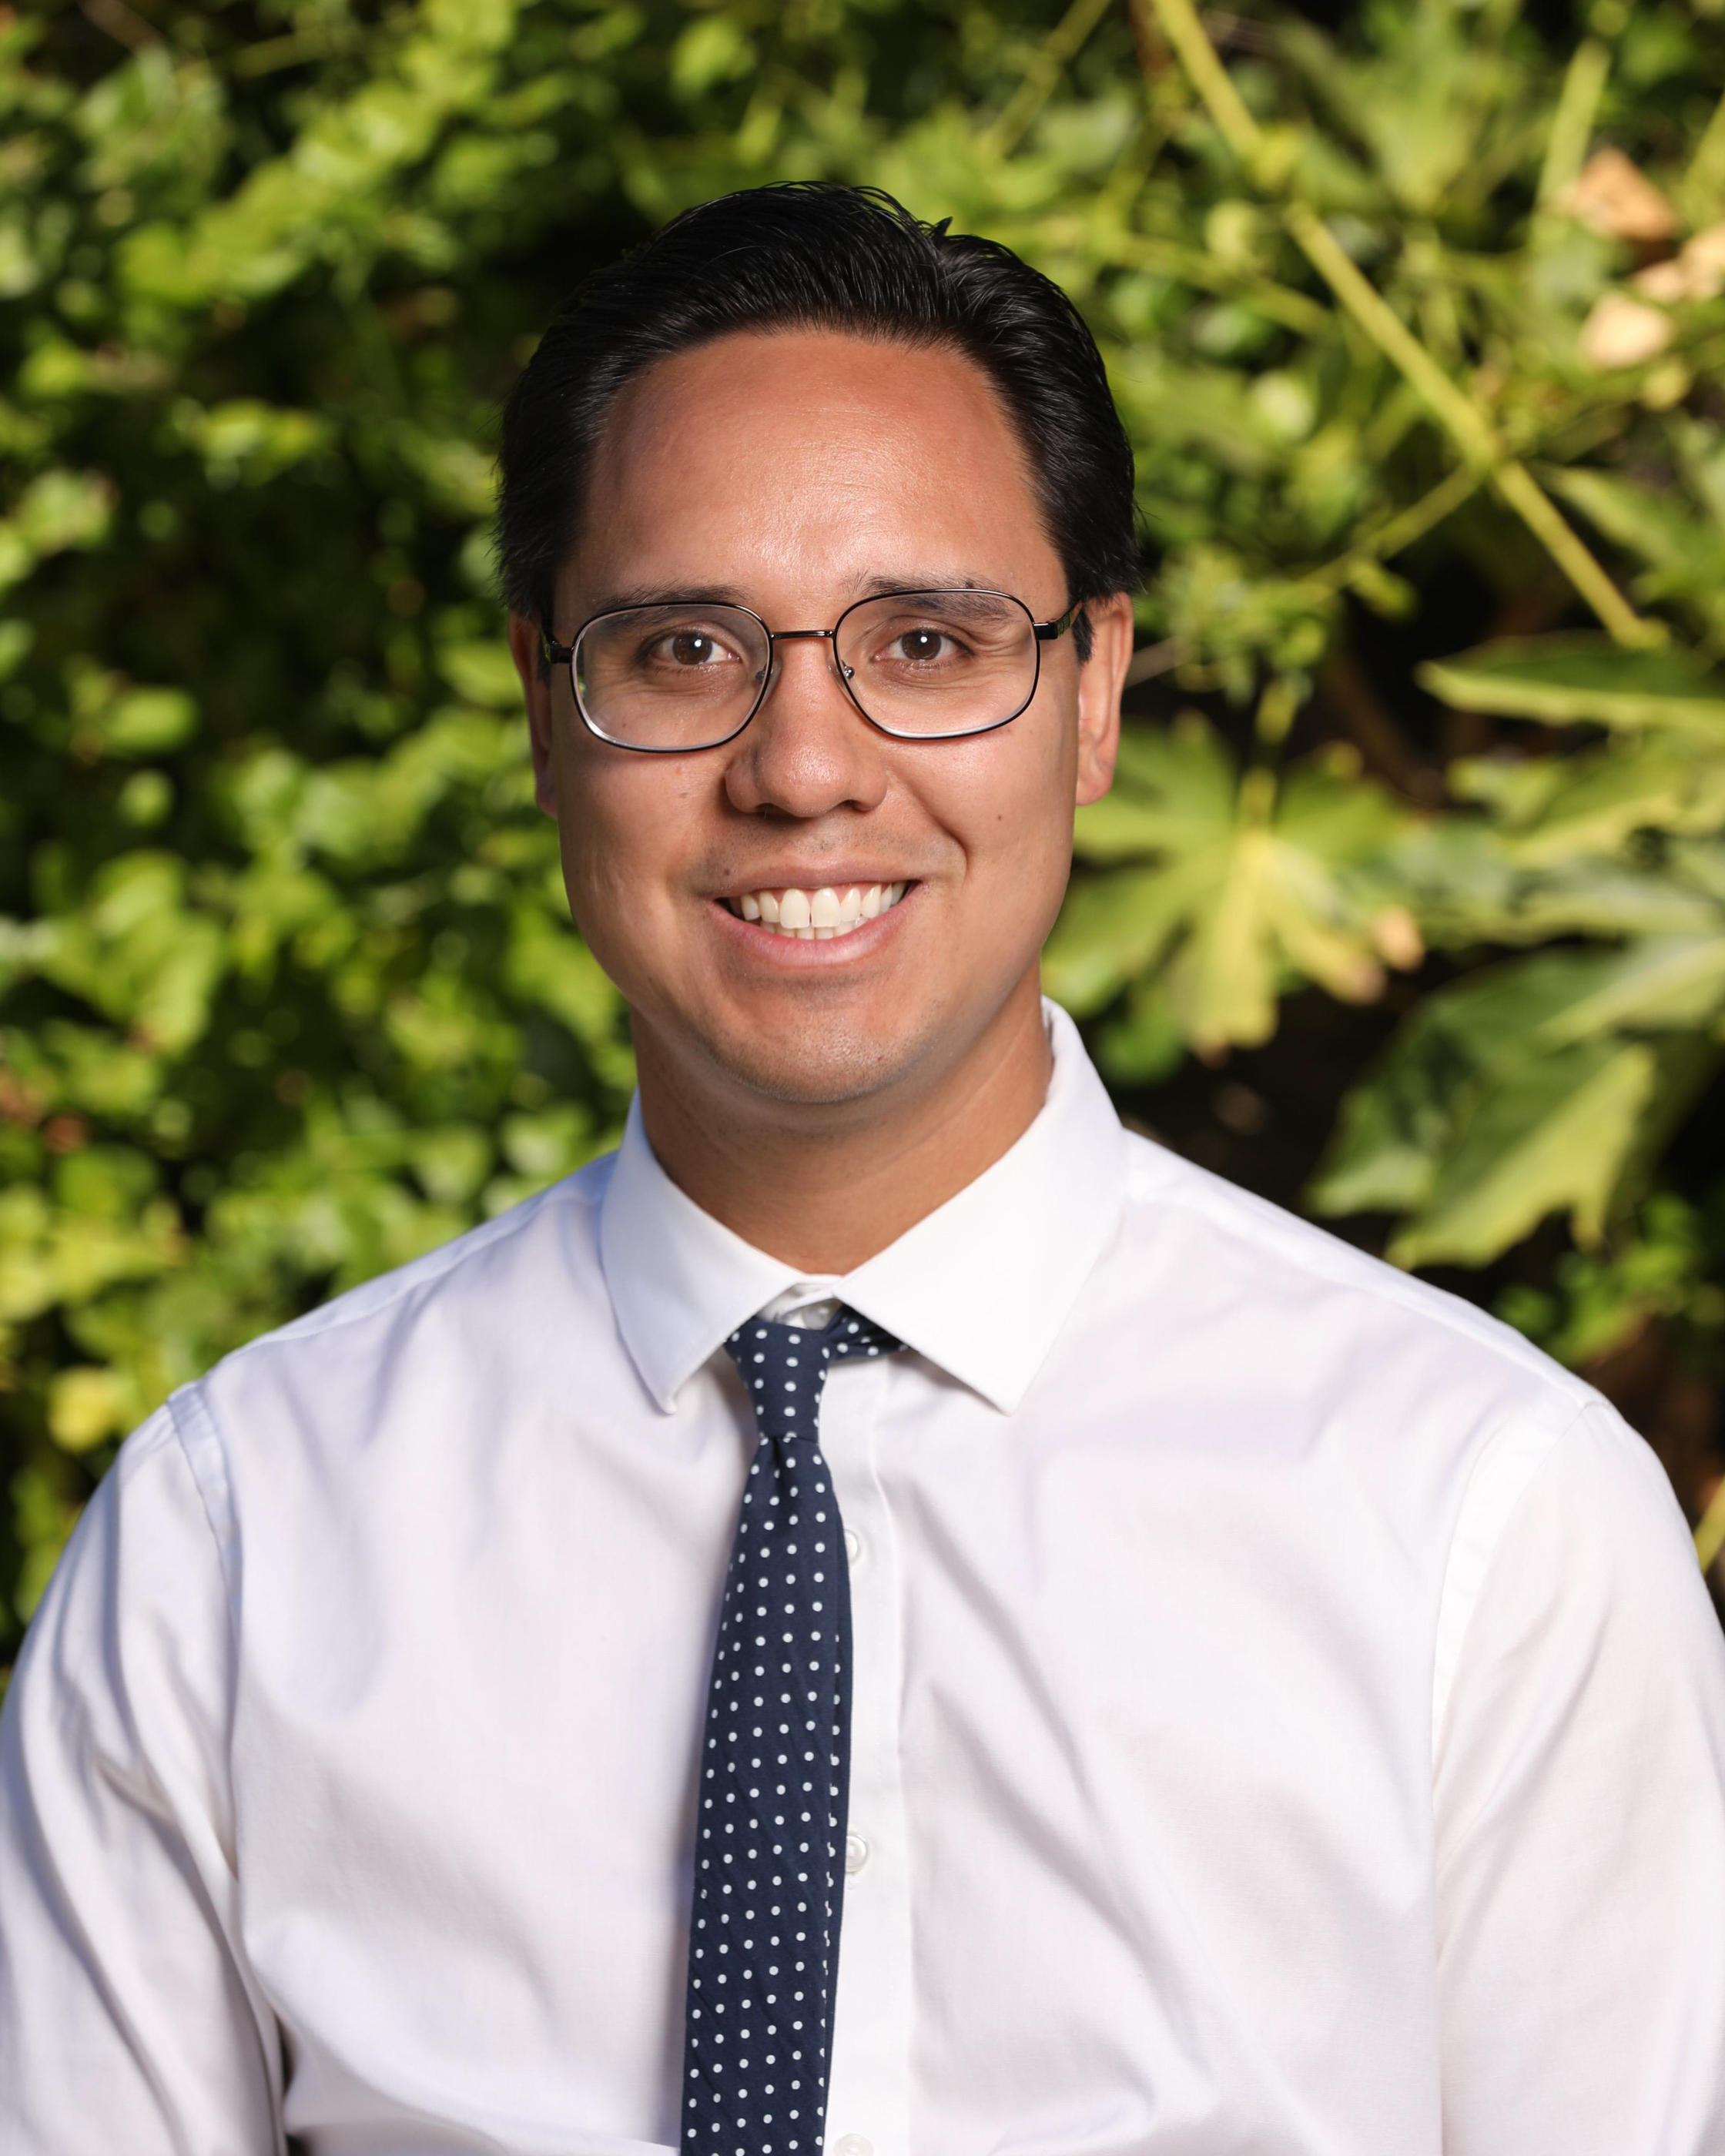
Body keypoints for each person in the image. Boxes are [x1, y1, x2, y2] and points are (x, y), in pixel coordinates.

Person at [2, 182, 1723, 2156]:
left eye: (925, 640)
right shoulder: (238, 1539)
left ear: (1092, 692)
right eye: (680, 648)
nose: (805, 766)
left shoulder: (1485, 1522)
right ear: (545, 711)